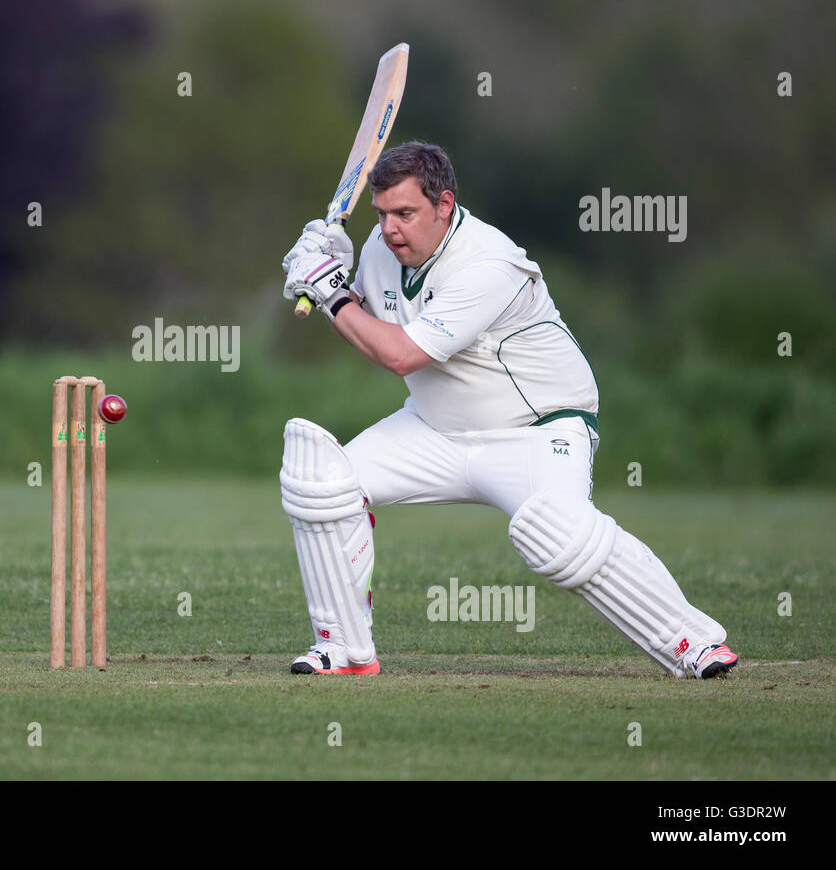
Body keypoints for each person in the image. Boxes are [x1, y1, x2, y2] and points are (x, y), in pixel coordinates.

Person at [279, 142, 737, 679]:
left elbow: (400, 355)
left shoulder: (489, 263)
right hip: (435, 430)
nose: (390, 229)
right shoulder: (384, 249)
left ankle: (695, 642)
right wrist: (325, 268)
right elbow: (367, 326)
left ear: (444, 204)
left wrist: (332, 294)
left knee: (558, 534)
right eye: (381, 214)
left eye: (405, 213)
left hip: (536, 431)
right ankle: (345, 652)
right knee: (321, 480)